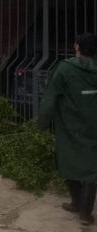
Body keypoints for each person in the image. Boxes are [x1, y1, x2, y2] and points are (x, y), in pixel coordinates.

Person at [38, 33, 97, 226]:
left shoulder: (65, 69)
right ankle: (84, 212)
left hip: (70, 126)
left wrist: (42, 124)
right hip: (93, 125)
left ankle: (78, 204)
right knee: (92, 166)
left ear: (77, 46)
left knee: (67, 160)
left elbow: (50, 98)